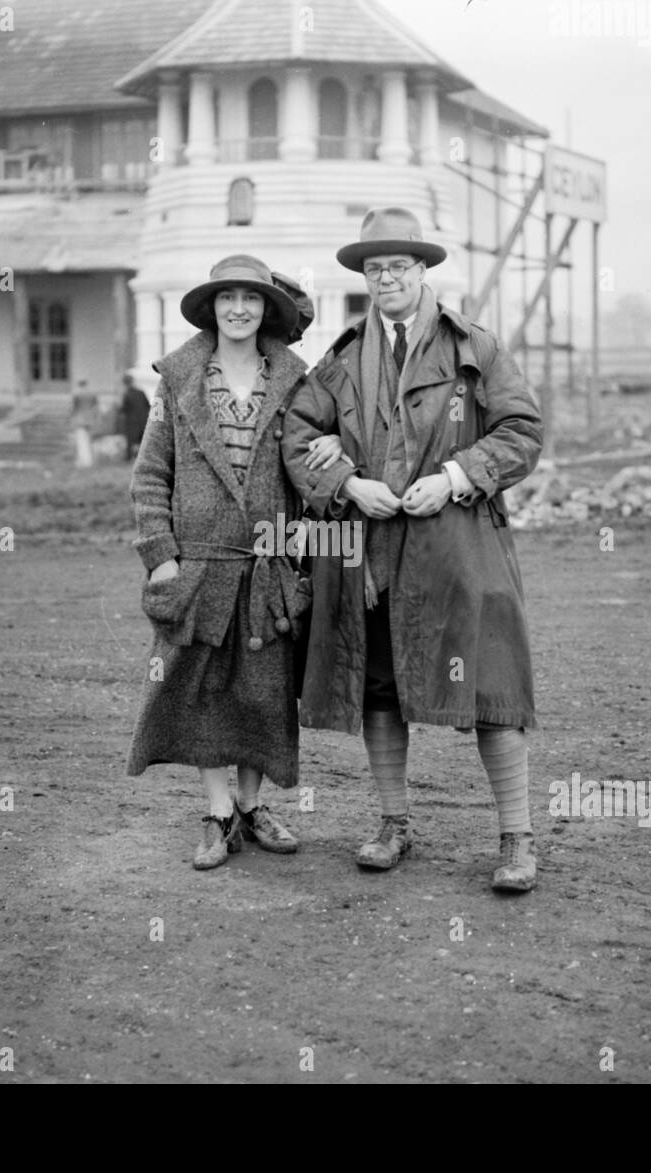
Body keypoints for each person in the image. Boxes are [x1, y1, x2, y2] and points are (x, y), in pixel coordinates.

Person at [280, 207, 545, 893]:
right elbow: (296, 439)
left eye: (400, 265)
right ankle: (393, 822)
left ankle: (516, 839)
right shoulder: (340, 360)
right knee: (379, 688)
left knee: (493, 684)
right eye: (375, 267)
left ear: (423, 270)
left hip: (461, 547)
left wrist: (456, 477)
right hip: (369, 553)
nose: (388, 277)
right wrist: (347, 483)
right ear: (364, 276)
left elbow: (522, 431)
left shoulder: (473, 348)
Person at [125, 254, 342, 870]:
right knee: (200, 696)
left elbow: (312, 464)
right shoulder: (177, 381)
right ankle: (217, 813)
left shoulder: (298, 381)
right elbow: (149, 477)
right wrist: (161, 557)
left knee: (263, 696)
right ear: (212, 307)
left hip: (270, 569)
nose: (239, 308)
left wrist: (322, 472)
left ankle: (251, 807)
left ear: (267, 309)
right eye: (228, 298)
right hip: (198, 570)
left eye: (252, 298)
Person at [118, 373, 150, 461]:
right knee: (143, 440)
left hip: (132, 422)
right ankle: (144, 458)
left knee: (130, 441)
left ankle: (129, 457)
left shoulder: (127, 394)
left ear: (125, 383)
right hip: (143, 420)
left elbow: (124, 409)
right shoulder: (141, 392)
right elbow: (148, 405)